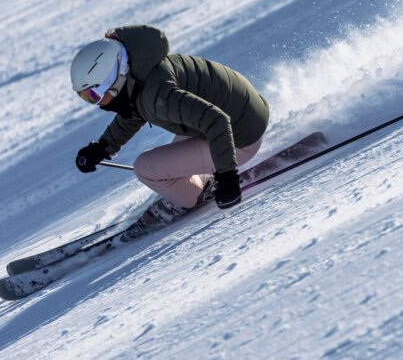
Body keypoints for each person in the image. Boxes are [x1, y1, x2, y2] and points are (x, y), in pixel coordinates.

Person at [71, 25, 269, 222]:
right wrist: (102, 148)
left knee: (146, 168)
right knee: (169, 166)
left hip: (241, 137)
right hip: (245, 115)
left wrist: (228, 179)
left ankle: (193, 195)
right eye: (85, 97)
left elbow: (216, 120)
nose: (94, 102)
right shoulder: (143, 73)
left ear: (111, 79)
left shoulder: (158, 95)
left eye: (92, 94)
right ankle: (195, 180)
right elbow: (133, 113)